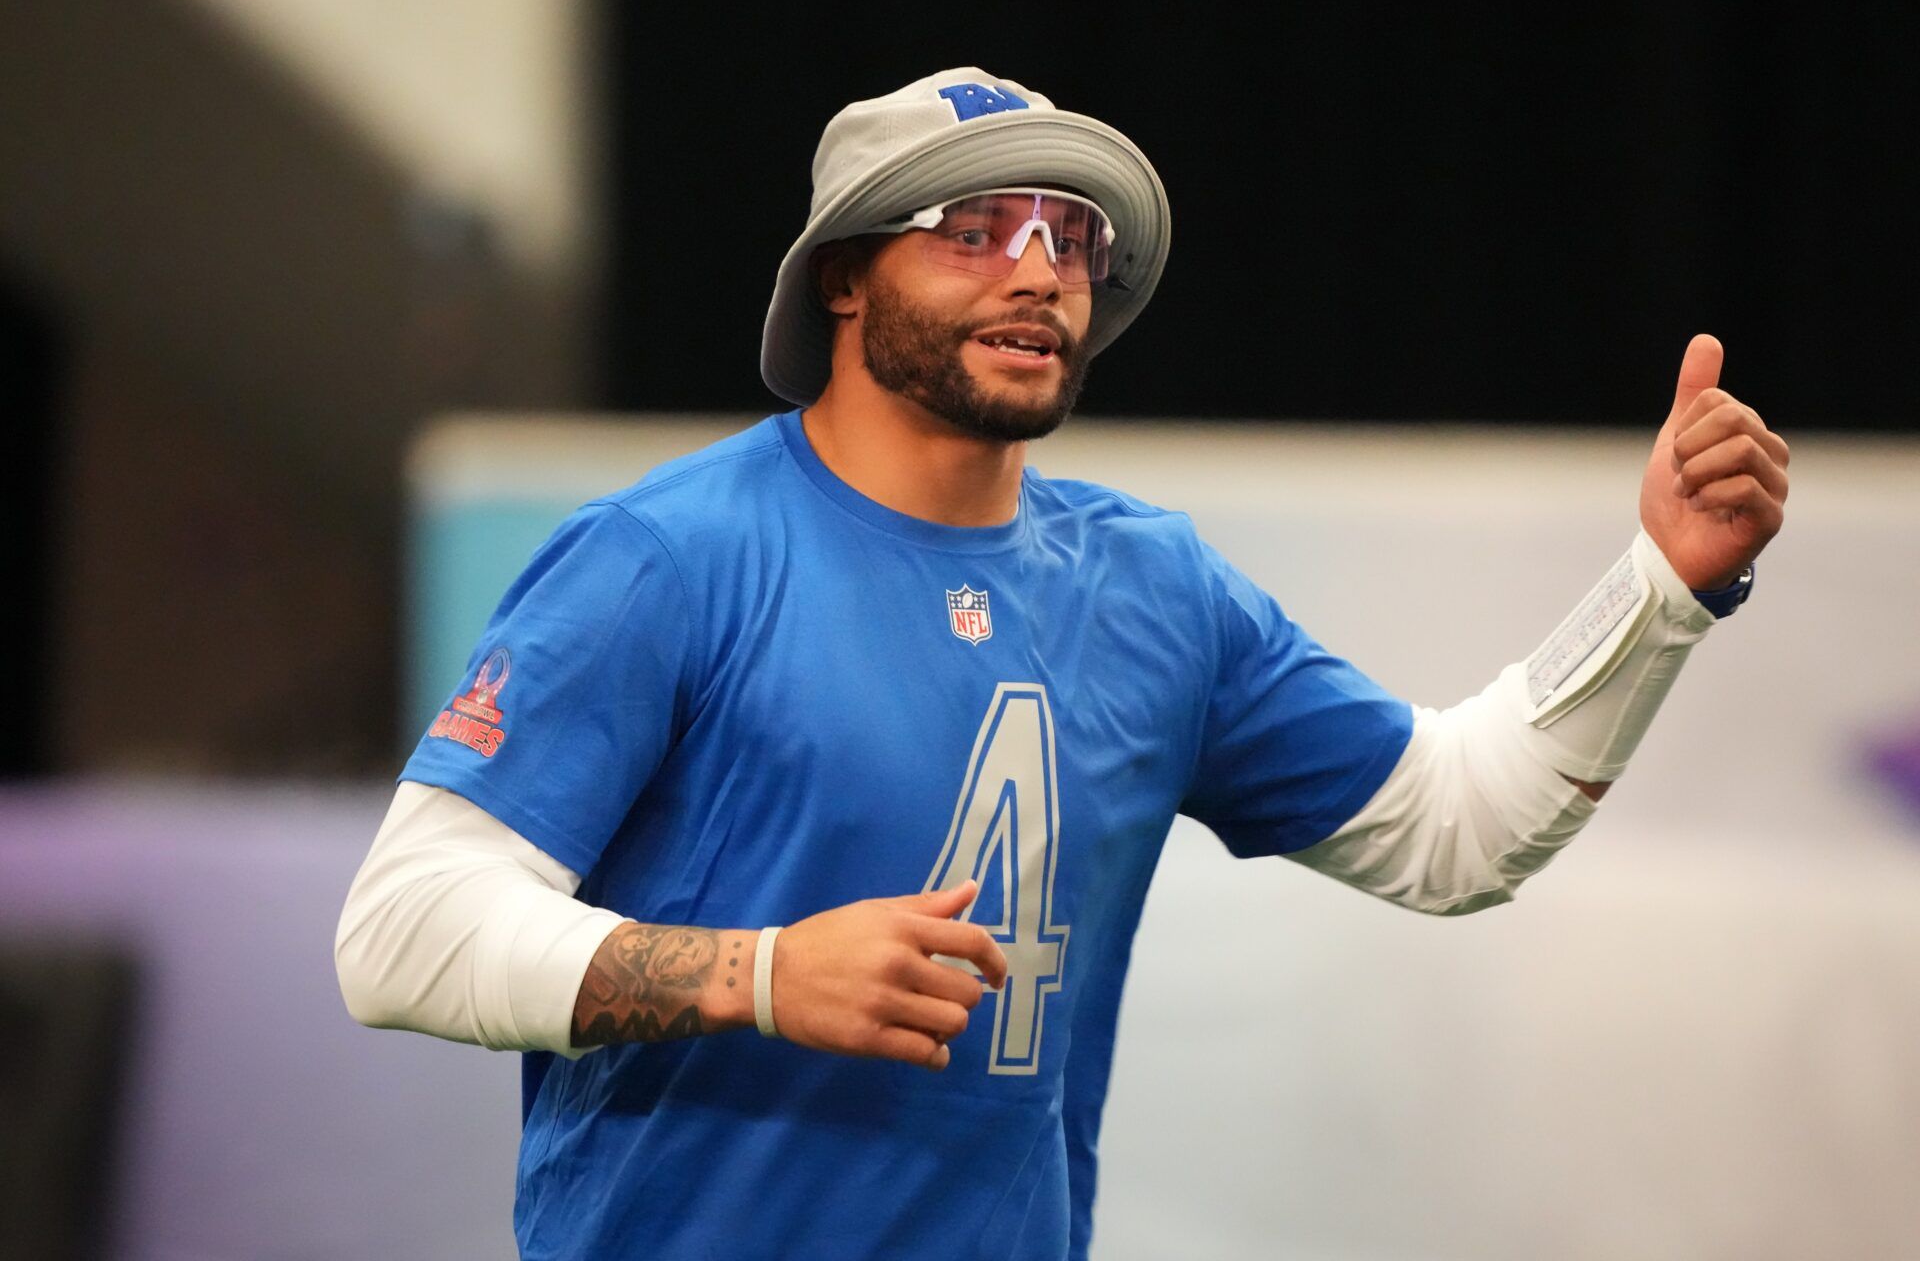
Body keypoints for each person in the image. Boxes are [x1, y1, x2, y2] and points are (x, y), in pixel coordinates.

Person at [335, 67, 1790, 1260]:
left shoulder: (1156, 589)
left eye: (1071, 237)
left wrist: (1665, 586)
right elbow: (400, 932)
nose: (1038, 270)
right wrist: (760, 975)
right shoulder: (669, 556)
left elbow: (1460, 827)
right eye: (973, 228)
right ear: (843, 278)